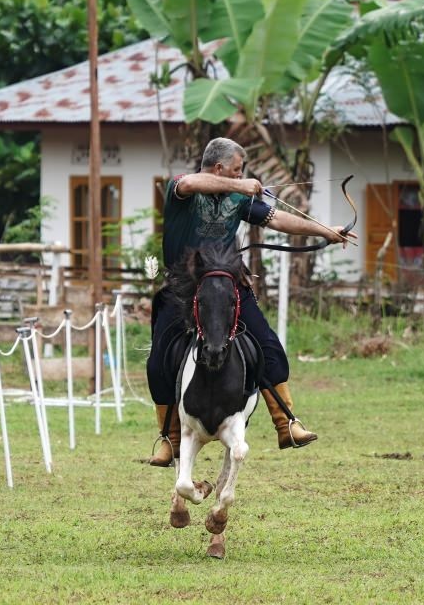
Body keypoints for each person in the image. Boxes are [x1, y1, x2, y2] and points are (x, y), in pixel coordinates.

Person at [146, 137, 356, 466]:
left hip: (228, 284)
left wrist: (325, 231)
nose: (241, 175)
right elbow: (189, 182)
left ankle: (285, 422)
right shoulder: (182, 189)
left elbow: (278, 219)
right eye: (236, 170)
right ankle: (169, 439)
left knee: (268, 345)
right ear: (219, 169)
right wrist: (243, 185)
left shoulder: (236, 198)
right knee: (159, 359)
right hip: (182, 287)